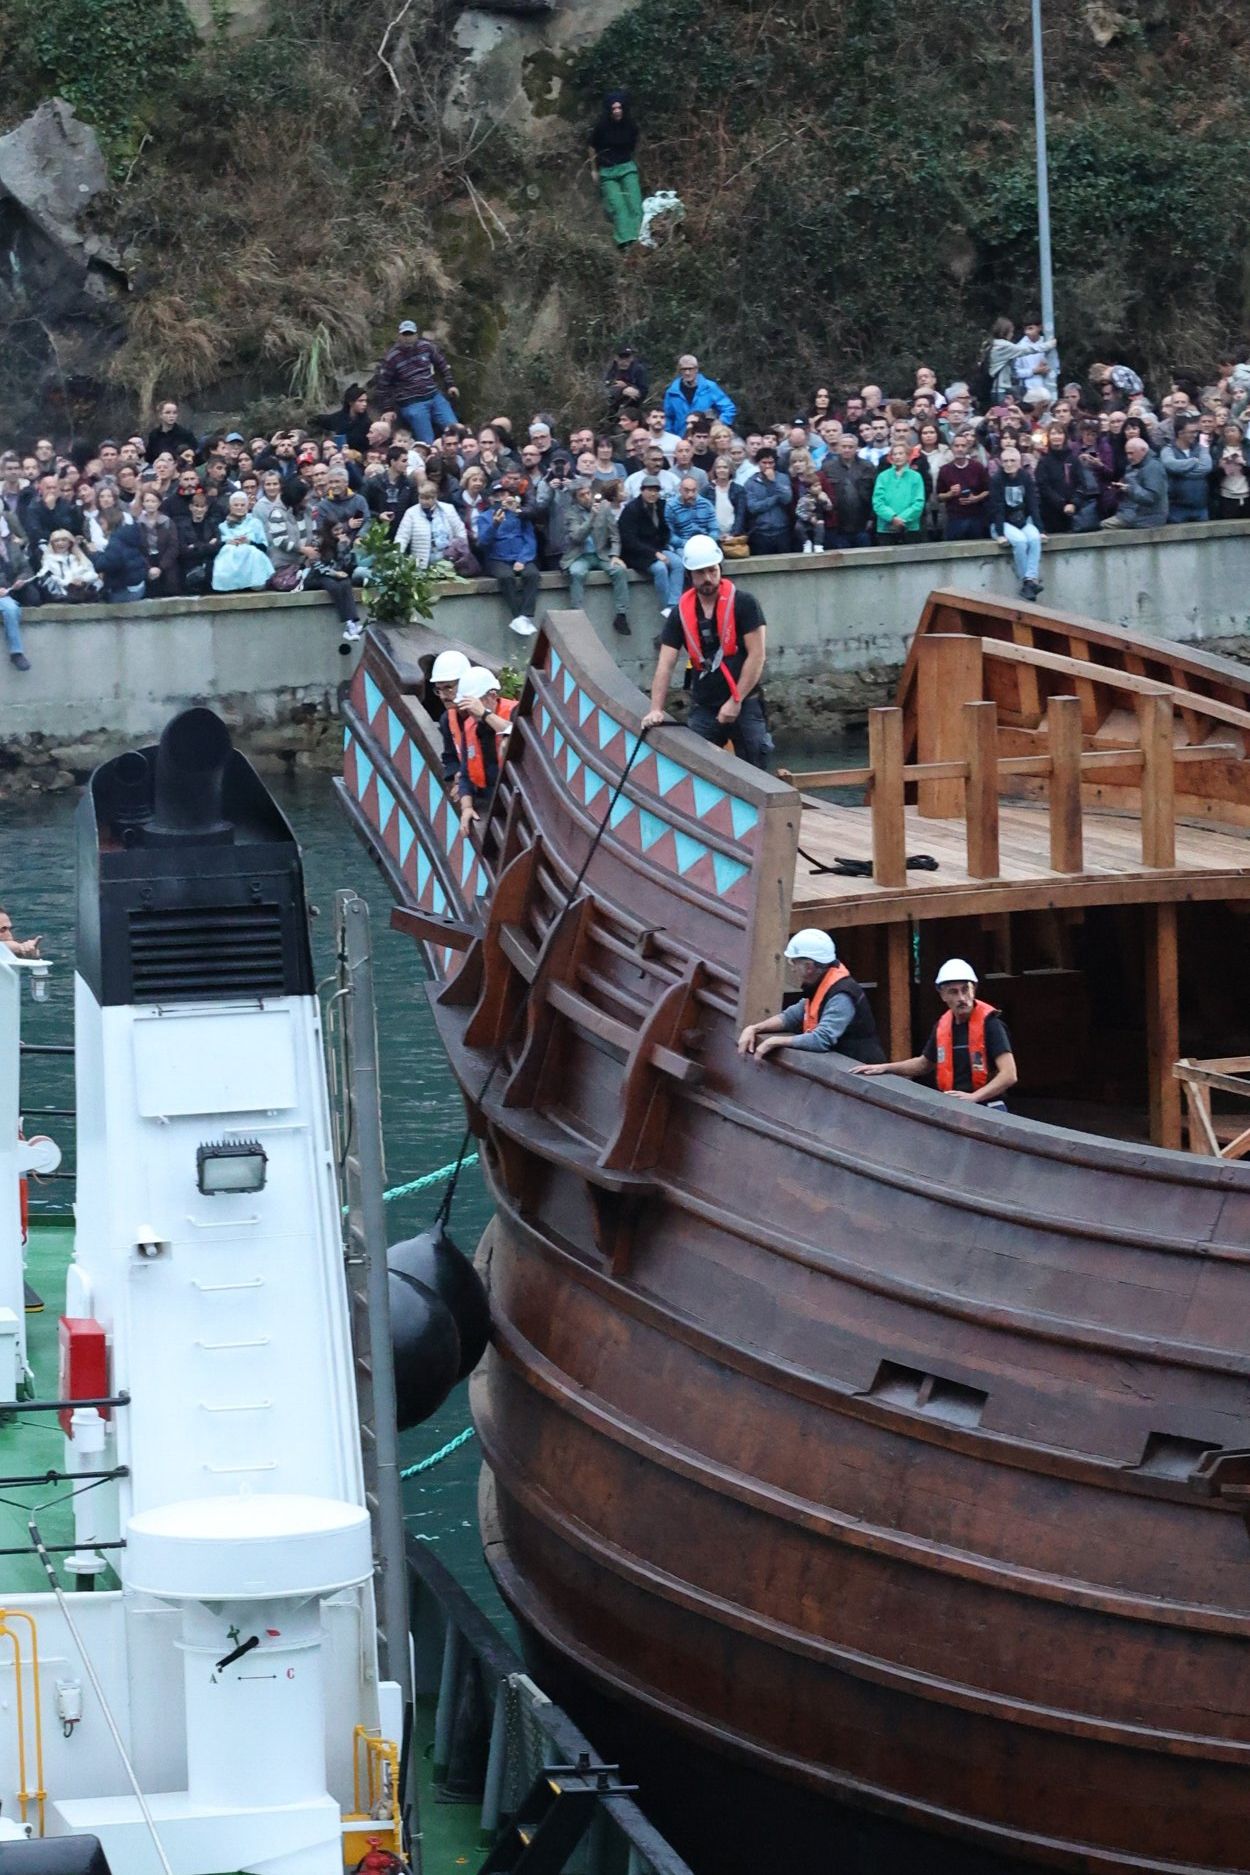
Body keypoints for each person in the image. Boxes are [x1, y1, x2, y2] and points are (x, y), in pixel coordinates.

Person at [642, 534, 769, 768]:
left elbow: (757, 655)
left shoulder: (745, 603)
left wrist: (736, 700)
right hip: (705, 705)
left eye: (712, 570)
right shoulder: (681, 614)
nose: (708, 578)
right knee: (694, 764)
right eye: (700, 573)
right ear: (690, 575)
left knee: (756, 764)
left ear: (720, 569)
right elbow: (666, 664)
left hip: (744, 702)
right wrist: (656, 709)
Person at [854, 958, 1017, 1106]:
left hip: (989, 1107)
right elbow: (924, 1064)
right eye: (954, 992)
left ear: (973, 989)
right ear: (943, 995)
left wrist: (974, 1097)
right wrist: (885, 1067)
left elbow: (1009, 1074)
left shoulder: (991, 1025)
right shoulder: (942, 1026)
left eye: (965, 989)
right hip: (957, 1106)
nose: (962, 998)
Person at [737, 930, 885, 1064]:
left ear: (809, 967)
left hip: (860, 1070)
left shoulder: (841, 996)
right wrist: (755, 1028)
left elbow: (821, 1040)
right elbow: (791, 1017)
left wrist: (776, 1041)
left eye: (793, 962)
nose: (792, 968)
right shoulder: (818, 985)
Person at [374, 320, 459, 445]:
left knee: (456, 430)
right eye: (405, 334)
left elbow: (442, 364)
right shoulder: (392, 357)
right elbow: (383, 384)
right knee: (426, 441)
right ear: (399, 335)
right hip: (412, 402)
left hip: (434, 395)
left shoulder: (426, 347)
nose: (407, 338)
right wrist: (388, 408)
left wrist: (450, 385)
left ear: (416, 335)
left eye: (410, 334)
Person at [562, 483, 631, 635]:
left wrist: (615, 555)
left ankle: (621, 615)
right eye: (582, 495)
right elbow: (577, 537)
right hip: (580, 555)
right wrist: (592, 517)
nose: (587, 497)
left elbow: (615, 535)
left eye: (588, 493)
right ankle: (576, 614)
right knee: (576, 573)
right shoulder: (571, 513)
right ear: (575, 498)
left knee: (619, 571)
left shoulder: (604, 507)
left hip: (601, 554)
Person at [454, 665, 516, 831]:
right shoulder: (470, 726)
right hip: (490, 801)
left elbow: (515, 732)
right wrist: (466, 807)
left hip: (516, 799)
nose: (471, 710)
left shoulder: (514, 711)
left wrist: (485, 714)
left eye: (475, 703)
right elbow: (465, 775)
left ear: (492, 696)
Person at [476, 483, 540, 637]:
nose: (501, 498)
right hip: (496, 558)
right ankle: (517, 616)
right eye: (497, 495)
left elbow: (530, 540)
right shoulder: (484, 517)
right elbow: (482, 543)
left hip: (519, 556)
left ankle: (525, 615)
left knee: (532, 574)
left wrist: (523, 559)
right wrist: (495, 525)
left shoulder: (520, 515)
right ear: (491, 499)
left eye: (504, 494)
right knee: (506, 577)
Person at [989, 442, 1044, 599]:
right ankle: (1026, 581)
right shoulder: (997, 479)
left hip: (1021, 520)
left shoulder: (1025, 477)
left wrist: (1040, 529)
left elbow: (1032, 503)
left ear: (1019, 462)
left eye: (1012, 460)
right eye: (1005, 461)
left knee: (1034, 539)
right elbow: (997, 508)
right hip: (1001, 523)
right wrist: (1000, 534)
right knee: (1020, 541)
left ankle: (1030, 579)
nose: (1009, 464)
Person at [619, 474, 680, 612]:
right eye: (649, 490)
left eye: (656, 491)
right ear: (642, 490)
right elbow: (629, 540)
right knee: (660, 569)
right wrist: (654, 553)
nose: (653, 494)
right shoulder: (632, 509)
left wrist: (664, 546)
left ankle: (674, 603)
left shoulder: (661, 505)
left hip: (658, 548)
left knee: (678, 564)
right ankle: (666, 608)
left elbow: (665, 529)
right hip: (637, 553)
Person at [589, 93, 643, 247]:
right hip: (608, 172)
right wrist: (594, 170)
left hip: (627, 168)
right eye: (614, 108)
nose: (617, 111)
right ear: (609, 110)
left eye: (619, 108)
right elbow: (591, 146)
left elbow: (634, 145)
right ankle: (625, 242)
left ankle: (639, 239)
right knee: (618, 207)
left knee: (635, 204)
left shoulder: (630, 125)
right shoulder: (602, 127)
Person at [394, 480, 476, 576]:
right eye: (421, 497)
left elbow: (460, 532)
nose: (424, 501)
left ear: (436, 497)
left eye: (428, 498)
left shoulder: (449, 509)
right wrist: (396, 558)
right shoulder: (411, 513)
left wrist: (462, 552)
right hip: (422, 565)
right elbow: (402, 537)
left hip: (448, 563)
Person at [430, 647, 472, 807]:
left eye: (449, 688)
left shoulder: (484, 717)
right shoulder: (447, 719)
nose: (443, 696)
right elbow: (450, 757)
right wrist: (456, 774)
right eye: (439, 690)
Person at [212, 491, 276, 592]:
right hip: (231, 561)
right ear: (230, 507)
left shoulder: (255, 523)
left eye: (242, 505)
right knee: (227, 549)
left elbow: (264, 547)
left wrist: (249, 541)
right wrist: (228, 542)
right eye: (236, 505)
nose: (239, 507)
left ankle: (255, 582)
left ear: (247, 506)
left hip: (251, 559)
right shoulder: (222, 526)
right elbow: (217, 546)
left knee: (252, 551)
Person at [1101, 436, 1168, 529]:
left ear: (1143, 450)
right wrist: (1120, 489)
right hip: (1133, 513)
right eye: (1127, 453)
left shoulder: (1153, 467)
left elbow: (1150, 498)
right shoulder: (1134, 466)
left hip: (1147, 517)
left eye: (1131, 453)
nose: (1129, 457)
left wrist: (1128, 488)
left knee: (1102, 526)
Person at [935, 430, 990, 540]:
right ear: (951, 448)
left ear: (968, 448)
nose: (960, 449)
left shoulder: (978, 467)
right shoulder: (945, 470)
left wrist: (976, 498)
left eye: (963, 446)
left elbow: (988, 490)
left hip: (976, 517)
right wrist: (950, 493)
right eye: (956, 446)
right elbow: (939, 496)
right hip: (954, 518)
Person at [662, 355, 737, 437]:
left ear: (696, 369)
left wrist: (719, 424)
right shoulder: (672, 392)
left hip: (704, 437)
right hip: (681, 438)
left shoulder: (709, 387)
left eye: (690, 369)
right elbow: (667, 417)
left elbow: (728, 408)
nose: (687, 372)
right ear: (680, 371)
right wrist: (670, 436)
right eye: (684, 369)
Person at [741, 447, 793, 554]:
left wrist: (774, 482)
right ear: (758, 463)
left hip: (782, 531)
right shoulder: (750, 483)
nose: (768, 466)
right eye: (764, 463)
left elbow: (787, 499)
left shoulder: (783, 478)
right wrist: (774, 498)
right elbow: (753, 507)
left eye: (771, 463)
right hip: (760, 532)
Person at [872, 441, 926, 543]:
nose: (897, 457)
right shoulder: (882, 476)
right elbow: (878, 502)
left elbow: (918, 502)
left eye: (901, 453)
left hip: (909, 528)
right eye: (894, 454)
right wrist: (892, 518)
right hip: (886, 528)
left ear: (908, 456)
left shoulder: (916, 477)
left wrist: (902, 519)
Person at [1160, 417, 1211, 524]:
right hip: (1177, 509)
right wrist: (1194, 461)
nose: (1195, 435)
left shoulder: (1201, 448)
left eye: (1196, 432)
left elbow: (1206, 467)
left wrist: (1181, 472)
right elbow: (1171, 465)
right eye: (1191, 432)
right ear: (1180, 433)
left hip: (1200, 507)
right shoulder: (1168, 450)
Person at [37, 529, 101, 602]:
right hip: (60, 593)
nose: (60, 543)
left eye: (64, 540)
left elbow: (93, 574)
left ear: (70, 543)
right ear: (52, 544)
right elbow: (43, 576)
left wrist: (82, 579)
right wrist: (69, 582)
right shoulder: (48, 559)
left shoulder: (79, 557)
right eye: (56, 541)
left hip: (81, 588)